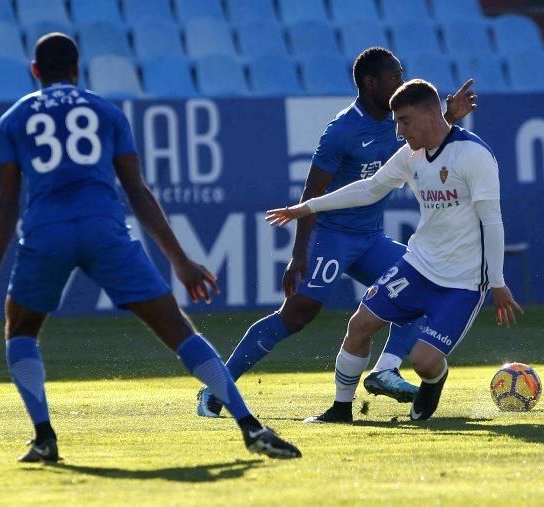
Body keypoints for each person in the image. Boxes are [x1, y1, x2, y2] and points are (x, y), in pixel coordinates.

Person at [0, 33, 301, 462]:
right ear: (77, 70)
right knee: (177, 329)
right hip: (105, 230)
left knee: (22, 330)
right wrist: (180, 260)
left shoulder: (13, 119)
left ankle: (45, 438)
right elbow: (136, 190)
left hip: (46, 233)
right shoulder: (106, 111)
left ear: (35, 71)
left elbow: (6, 203)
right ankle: (250, 427)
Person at [197, 47, 477, 419]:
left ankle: (384, 370)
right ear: (370, 82)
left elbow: (426, 132)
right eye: (394, 77)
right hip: (332, 238)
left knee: (424, 290)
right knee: (297, 315)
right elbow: (312, 193)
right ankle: (217, 389)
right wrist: (299, 254)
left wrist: (448, 116)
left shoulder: (401, 121)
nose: (400, 81)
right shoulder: (342, 131)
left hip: (370, 239)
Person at [266, 79, 523, 423]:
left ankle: (434, 380)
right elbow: (370, 189)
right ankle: (341, 410)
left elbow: (492, 222)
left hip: (462, 281)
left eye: (404, 121)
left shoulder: (473, 155)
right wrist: (309, 207)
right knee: (360, 324)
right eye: (396, 122)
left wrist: (497, 281)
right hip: (417, 266)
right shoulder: (411, 155)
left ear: (431, 115)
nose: (399, 132)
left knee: (423, 361)